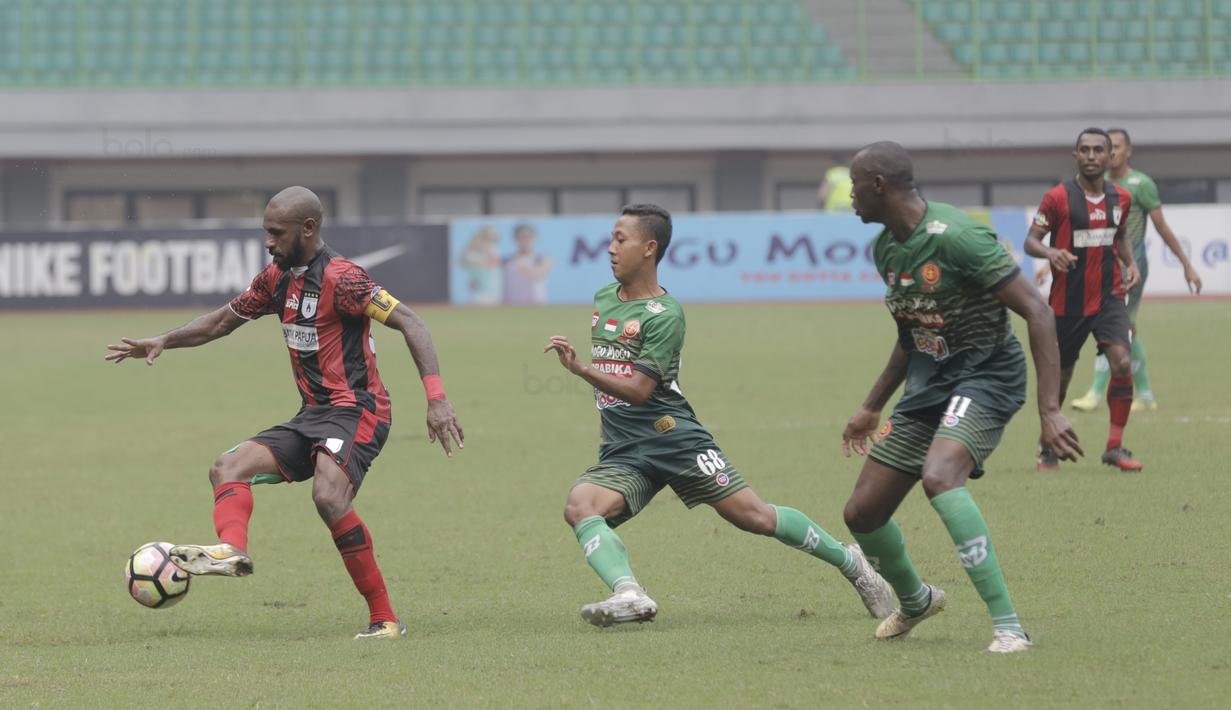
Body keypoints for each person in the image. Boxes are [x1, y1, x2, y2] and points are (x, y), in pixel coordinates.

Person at [105, 186, 464, 640]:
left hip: (358, 411)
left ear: (308, 228)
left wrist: (436, 398)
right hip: (312, 413)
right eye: (266, 232)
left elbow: (412, 322)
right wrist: (163, 340)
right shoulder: (275, 279)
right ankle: (232, 551)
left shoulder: (344, 279)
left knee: (329, 497)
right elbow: (221, 322)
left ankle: (385, 619)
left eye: (277, 232)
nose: (269, 242)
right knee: (227, 467)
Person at [543, 204, 892, 627]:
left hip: (675, 439)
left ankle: (852, 564)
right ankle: (630, 593)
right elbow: (614, 373)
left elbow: (638, 391)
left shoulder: (666, 315)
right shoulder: (603, 298)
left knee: (755, 517)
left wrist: (582, 370)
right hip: (625, 448)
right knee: (581, 506)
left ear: (649, 248)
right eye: (611, 238)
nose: (611, 248)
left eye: (621, 239)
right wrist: (606, 422)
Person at [839, 141, 1081, 653]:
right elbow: (912, 333)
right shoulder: (886, 248)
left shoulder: (961, 237)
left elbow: (1038, 311)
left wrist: (1051, 409)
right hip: (930, 383)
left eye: (856, 185)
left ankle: (1009, 626)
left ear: (878, 186)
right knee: (862, 514)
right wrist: (871, 405)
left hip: (988, 375)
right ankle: (917, 599)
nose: (851, 196)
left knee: (939, 476)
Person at [1025, 128, 1143, 472]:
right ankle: (1047, 445)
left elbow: (1120, 236)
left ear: (1110, 157)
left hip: (1109, 297)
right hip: (1067, 303)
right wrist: (1051, 252)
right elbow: (1031, 240)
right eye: (1085, 150)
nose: (1091, 156)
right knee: (1059, 378)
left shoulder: (1121, 198)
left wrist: (1130, 263)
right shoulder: (1058, 197)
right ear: (1075, 155)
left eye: (1098, 150)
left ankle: (1114, 447)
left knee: (1122, 362)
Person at [1069, 128, 1203, 413]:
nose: (1113, 152)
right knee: (1127, 328)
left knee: (1109, 326)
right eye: (1109, 147)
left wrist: (1187, 265)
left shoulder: (1141, 184)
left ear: (1128, 151)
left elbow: (1161, 227)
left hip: (1132, 269)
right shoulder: (1096, 184)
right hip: (1101, 268)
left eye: (1117, 146)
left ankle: (1095, 392)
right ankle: (1145, 396)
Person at [503, 223, 553, 305]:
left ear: (535, 238)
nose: (525, 240)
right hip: (512, 306)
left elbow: (540, 272)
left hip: (536, 306)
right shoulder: (506, 261)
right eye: (521, 237)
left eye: (529, 237)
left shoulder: (542, 259)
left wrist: (524, 267)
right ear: (514, 239)